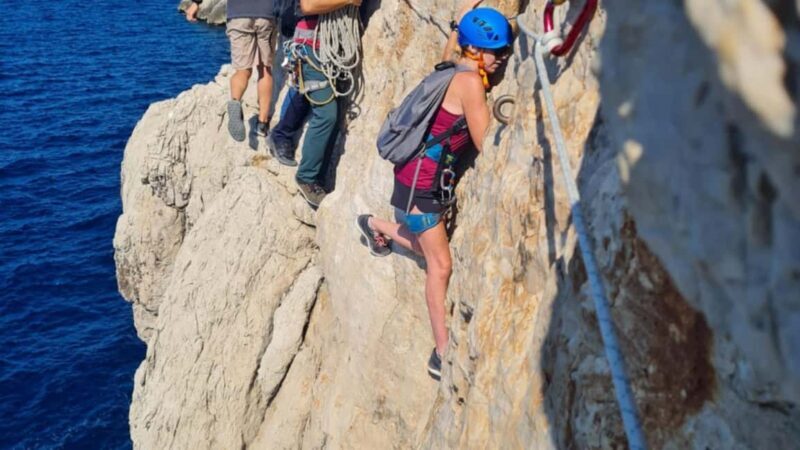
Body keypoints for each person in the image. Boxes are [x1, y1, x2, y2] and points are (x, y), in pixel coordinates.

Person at [355, 5, 512, 381]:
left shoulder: (451, 66)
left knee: (426, 245)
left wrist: (459, 23)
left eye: (505, 52)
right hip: (423, 187)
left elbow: (450, 48)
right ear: (476, 50)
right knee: (439, 265)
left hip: (414, 177)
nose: (502, 58)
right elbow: (485, 144)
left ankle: (373, 224)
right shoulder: (470, 84)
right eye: (496, 52)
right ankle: (441, 353)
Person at [267, 0, 362, 207]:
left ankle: (318, 178)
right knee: (327, 114)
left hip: (330, 49)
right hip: (311, 48)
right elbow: (308, 6)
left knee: (330, 113)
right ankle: (306, 177)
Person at [188, 0, 278, 142]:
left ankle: (235, 102)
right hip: (265, 12)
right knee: (265, 69)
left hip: (238, 14)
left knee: (242, 71)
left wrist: (195, 3)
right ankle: (262, 123)